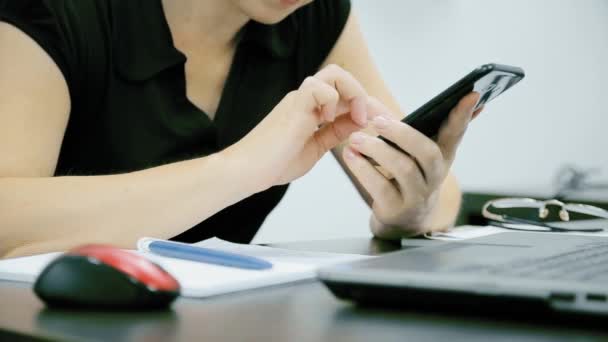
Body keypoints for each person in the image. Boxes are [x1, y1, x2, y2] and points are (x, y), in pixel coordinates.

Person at [0, 0, 481, 258]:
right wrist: (240, 169)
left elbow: (444, 201)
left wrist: (409, 209)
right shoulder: (52, 12)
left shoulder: (314, 15)